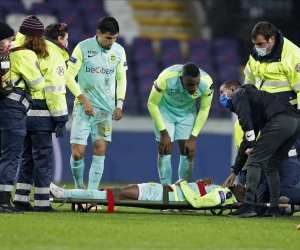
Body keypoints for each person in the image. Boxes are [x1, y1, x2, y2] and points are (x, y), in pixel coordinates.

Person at [220, 79, 300, 218]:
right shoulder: (254, 101)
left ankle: (248, 206)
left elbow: (245, 121)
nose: (221, 96)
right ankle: (274, 209)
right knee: (271, 166)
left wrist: (252, 145)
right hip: (294, 123)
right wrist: (235, 172)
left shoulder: (239, 93)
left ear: (232, 89)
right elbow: (247, 140)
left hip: (280, 120)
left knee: (254, 161)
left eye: (222, 92)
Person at [13, 23, 70, 212]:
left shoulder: (31, 50)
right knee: (43, 160)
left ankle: (21, 199)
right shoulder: (53, 57)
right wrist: (61, 118)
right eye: (66, 39)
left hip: (23, 111)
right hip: (42, 115)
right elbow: (55, 91)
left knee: (27, 158)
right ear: (60, 39)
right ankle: (42, 202)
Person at [65, 16, 127, 190]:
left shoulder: (119, 51)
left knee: (100, 149)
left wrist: (119, 104)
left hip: (106, 110)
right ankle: (79, 189)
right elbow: (69, 76)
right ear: (98, 33)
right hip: (84, 108)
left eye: (115, 38)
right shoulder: (83, 48)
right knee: (78, 153)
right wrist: (84, 100)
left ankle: (91, 195)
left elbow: (122, 80)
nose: (111, 42)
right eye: (108, 38)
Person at [0, 16, 47, 213]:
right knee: (11, 155)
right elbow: (38, 84)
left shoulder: (6, 52)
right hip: (13, 110)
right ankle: (3, 202)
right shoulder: (24, 54)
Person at [147, 63, 213, 185]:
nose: (194, 88)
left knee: (187, 151)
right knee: (165, 149)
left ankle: (184, 189)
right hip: (165, 111)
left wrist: (193, 138)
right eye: (190, 84)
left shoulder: (207, 83)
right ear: (182, 79)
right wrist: (164, 133)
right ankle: (165, 190)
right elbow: (151, 104)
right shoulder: (166, 77)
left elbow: (204, 109)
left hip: (187, 114)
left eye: (196, 84)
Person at [49, 178, 242, 208]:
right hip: (160, 191)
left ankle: (62, 194)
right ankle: (67, 194)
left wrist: (183, 183)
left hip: (160, 195)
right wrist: (198, 183)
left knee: (110, 195)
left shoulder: (223, 195)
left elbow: (197, 202)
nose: (242, 185)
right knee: (108, 192)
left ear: (241, 197)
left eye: (245, 189)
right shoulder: (222, 189)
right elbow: (197, 193)